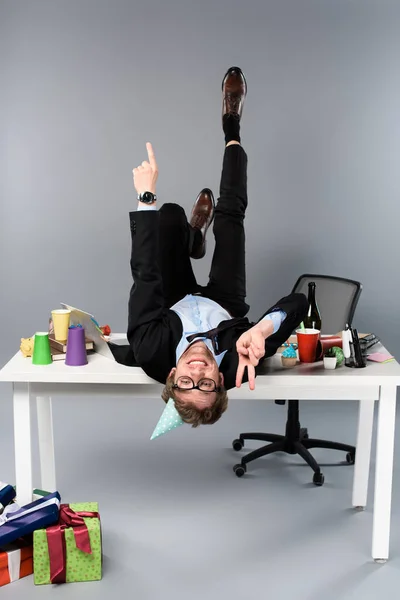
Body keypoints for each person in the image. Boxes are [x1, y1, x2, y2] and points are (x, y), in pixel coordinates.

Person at [113, 67, 308, 428]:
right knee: (230, 217)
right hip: (224, 302)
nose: (198, 371)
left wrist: (145, 196)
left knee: (169, 215)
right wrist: (261, 331)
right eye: (205, 384)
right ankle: (232, 126)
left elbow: (145, 275)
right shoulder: (242, 361)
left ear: (171, 375)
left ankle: (192, 237)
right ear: (221, 382)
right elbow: (299, 303)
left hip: (173, 299)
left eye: (186, 382)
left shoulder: (151, 350)